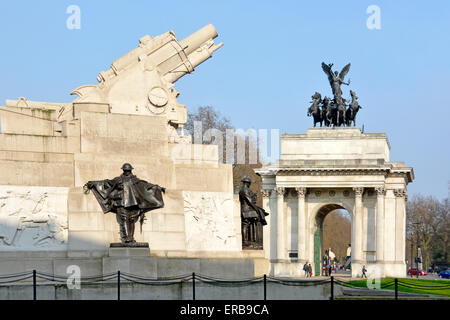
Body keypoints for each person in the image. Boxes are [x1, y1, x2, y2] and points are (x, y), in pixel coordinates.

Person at [85, 163, 165, 244]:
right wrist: (94, 183)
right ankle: (128, 239)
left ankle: (131, 238)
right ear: (123, 170)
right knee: (125, 220)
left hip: (133, 204)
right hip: (121, 203)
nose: (127, 172)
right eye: (125, 170)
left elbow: (146, 186)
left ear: (131, 170)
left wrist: (158, 188)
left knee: (132, 220)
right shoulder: (118, 180)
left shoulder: (136, 180)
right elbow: (106, 183)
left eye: (128, 170)